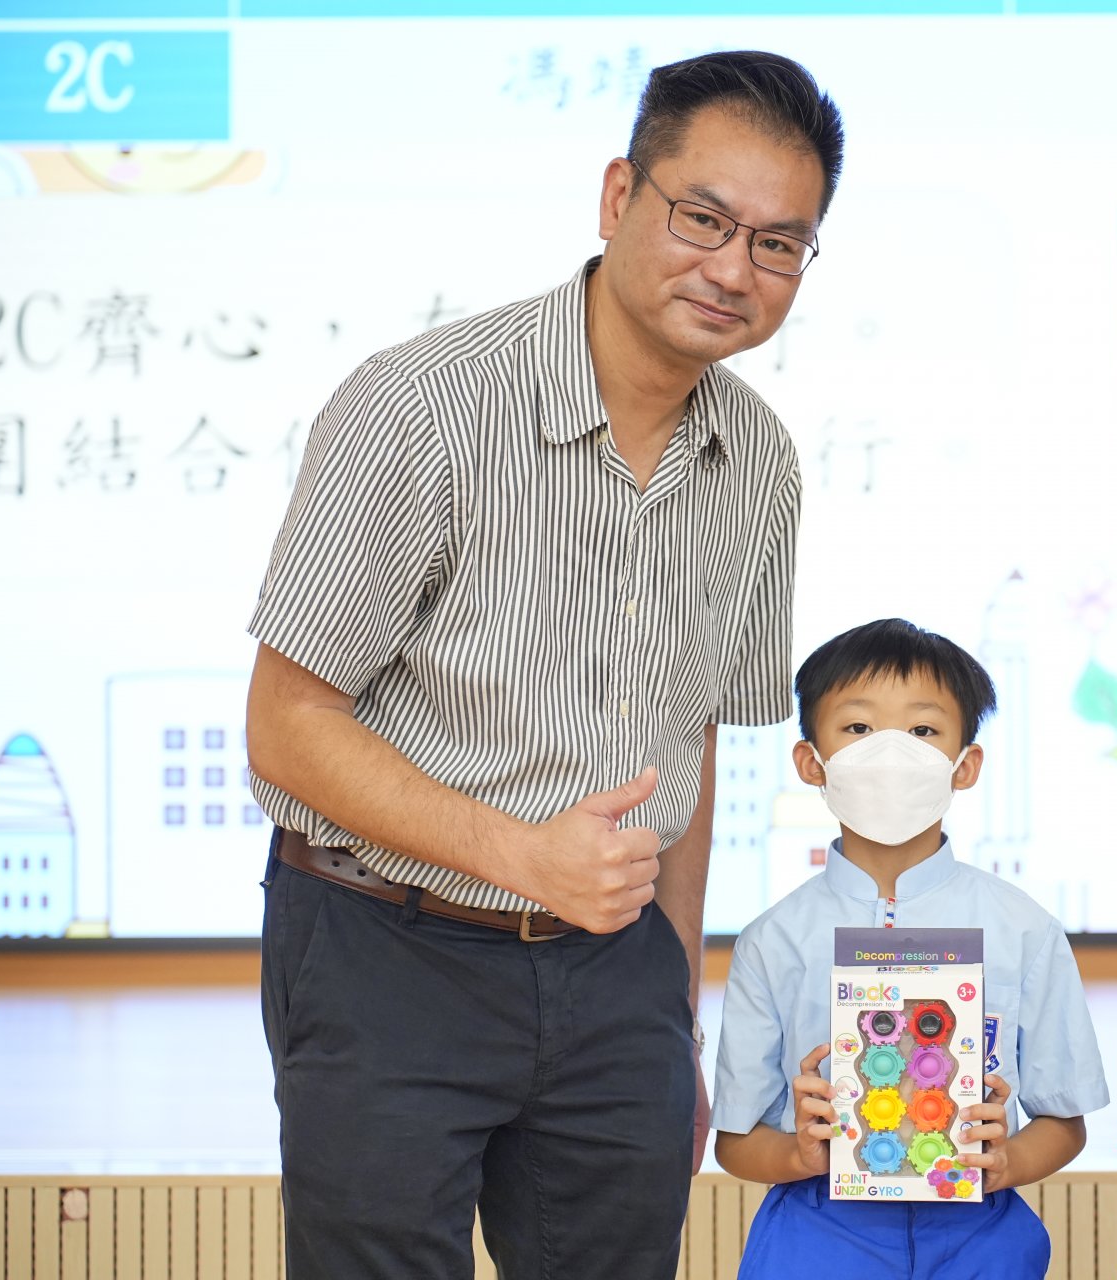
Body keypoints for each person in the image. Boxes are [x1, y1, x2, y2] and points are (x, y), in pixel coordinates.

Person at [243, 51, 843, 1280]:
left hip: (617, 976)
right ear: (619, 195)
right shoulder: (421, 405)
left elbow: (690, 746)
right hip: (382, 944)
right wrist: (523, 854)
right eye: (703, 218)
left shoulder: (762, 462)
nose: (735, 269)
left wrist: (672, 1010)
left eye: (779, 243)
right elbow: (286, 721)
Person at [711, 618, 1111, 1278]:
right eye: (859, 727)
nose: (891, 753)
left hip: (979, 1233)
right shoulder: (772, 940)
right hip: (815, 1232)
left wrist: (1007, 1160)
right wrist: (797, 1155)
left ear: (965, 765)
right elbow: (735, 1139)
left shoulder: (1024, 929)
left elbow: (1064, 1122)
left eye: (923, 730)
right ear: (811, 762)